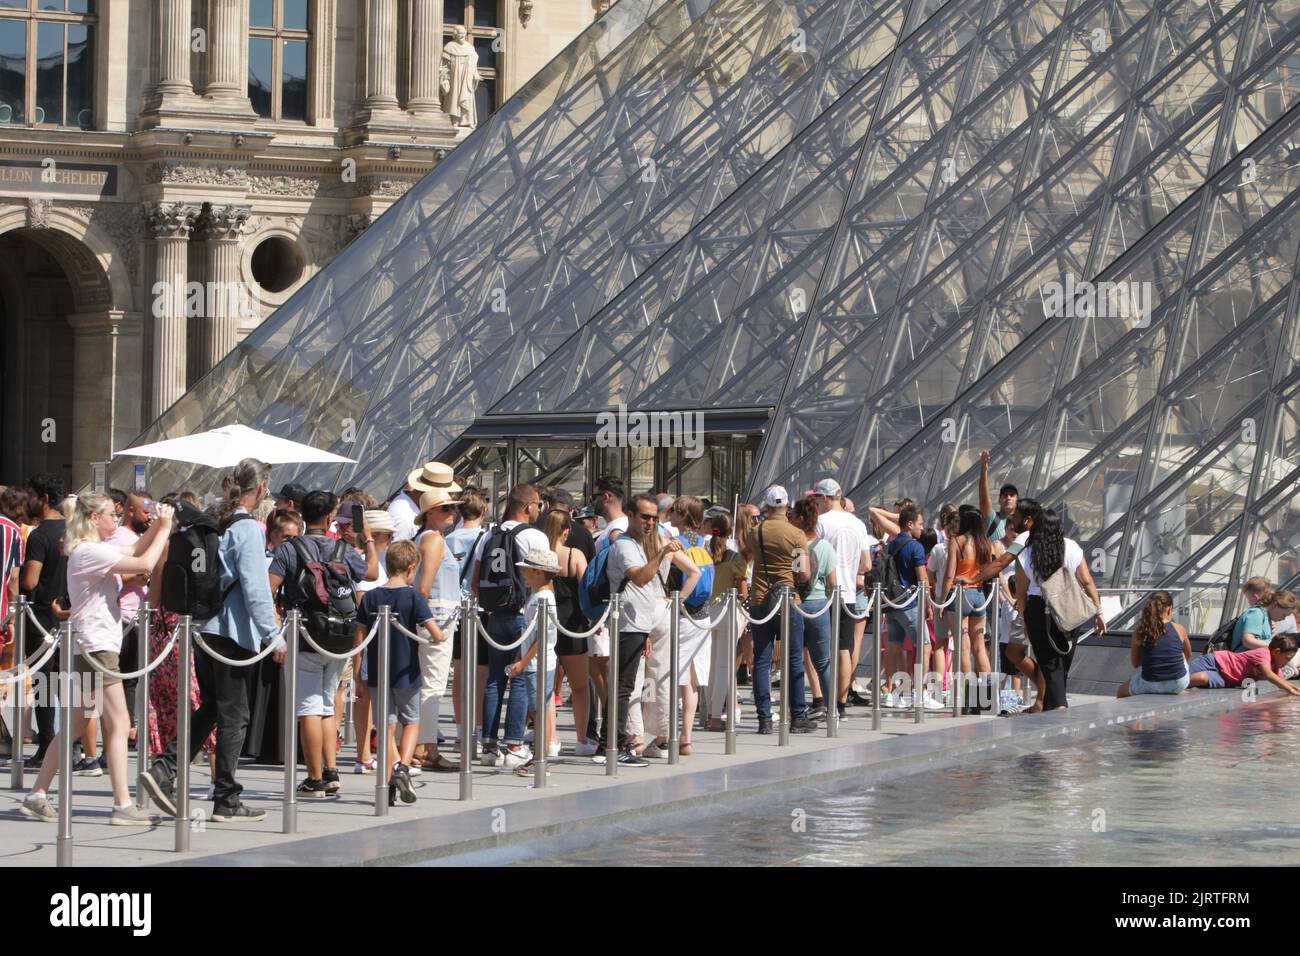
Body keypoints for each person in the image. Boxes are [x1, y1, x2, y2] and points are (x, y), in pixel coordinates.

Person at [141, 458, 282, 823]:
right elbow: (255, 589)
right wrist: (274, 637)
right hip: (231, 633)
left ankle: (166, 769)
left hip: (204, 629)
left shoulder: (217, 520)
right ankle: (224, 797)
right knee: (235, 715)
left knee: (212, 709)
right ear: (262, 488)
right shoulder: (248, 528)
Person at [21, 494, 173, 825]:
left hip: (89, 647)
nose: (115, 520)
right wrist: (164, 527)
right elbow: (145, 564)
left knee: (75, 724)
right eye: (110, 516)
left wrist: (158, 528)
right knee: (118, 723)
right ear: (93, 519)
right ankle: (122, 805)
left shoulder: (91, 550)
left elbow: (134, 551)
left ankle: (37, 795)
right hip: (96, 649)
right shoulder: (89, 551)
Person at [268, 491, 378, 797]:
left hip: (305, 635)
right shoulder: (343, 549)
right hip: (340, 638)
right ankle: (331, 772)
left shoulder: (290, 550)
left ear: (302, 515)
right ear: (330, 517)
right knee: (329, 705)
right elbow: (372, 571)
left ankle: (314, 778)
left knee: (309, 708)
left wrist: (275, 629)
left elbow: (269, 588)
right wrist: (366, 539)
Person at [603, 494, 692, 764]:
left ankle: (622, 739)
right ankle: (619, 743)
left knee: (634, 683)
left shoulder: (641, 544)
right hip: (628, 622)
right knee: (626, 685)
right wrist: (664, 553)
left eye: (654, 517)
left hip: (641, 621)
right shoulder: (627, 545)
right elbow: (640, 578)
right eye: (645, 516)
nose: (650, 522)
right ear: (630, 514)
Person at [356, 540, 443, 806]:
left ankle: (390, 777)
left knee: (385, 726)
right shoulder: (413, 596)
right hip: (407, 672)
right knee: (411, 722)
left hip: (378, 674)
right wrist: (442, 634)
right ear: (411, 567)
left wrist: (360, 673)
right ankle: (403, 767)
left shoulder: (370, 596)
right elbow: (434, 632)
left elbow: (359, 636)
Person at [474, 484, 549, 765]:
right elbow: (545, 576)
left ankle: (490, 746)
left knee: (495, 679)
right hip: (523, 615)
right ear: (528, 506)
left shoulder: (488, 535)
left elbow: (474, 580)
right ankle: (515, 746)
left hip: (495, 616)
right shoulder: (534, 537)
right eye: (538, 504)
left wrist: (492, 604)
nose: (540, 510)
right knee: (518, 677)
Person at [1014, 505, 1105, 711]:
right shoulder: (1071, 547)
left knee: (1048, 663)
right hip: (1068, 607)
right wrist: (1098, 612)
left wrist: (1024, 618)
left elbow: (1021, 591)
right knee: (1062, 662)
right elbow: (1087, 581)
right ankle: (1052, 706)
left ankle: (1059, 708)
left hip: (1038, 609)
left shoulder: (1028, 551)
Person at [748, 486, 817, 734]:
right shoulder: (796, 534)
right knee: (794, 659)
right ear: (787, 506)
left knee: (762, 661)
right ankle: (797, 715)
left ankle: (764, 719)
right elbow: (803, 572)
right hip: (788, 599)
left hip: (759, 600)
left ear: (767, 506)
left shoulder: (756, 532)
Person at [810, 479, 874, 715]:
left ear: (824, 498)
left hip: (822, 592)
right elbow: (867, 563)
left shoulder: (821, 523)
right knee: (843, 648)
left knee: (814, 648)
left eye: (817, 498)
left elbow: (814, 559)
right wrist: (851, 571)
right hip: (848, 593)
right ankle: (841, 702)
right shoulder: (857, 524)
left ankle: (819, 699)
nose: (815, 503)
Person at [19, 472, 69, 766]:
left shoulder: (40, 536)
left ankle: (48, 741)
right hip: (70, 614)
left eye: (32, 496)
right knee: (72, 681)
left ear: (44, 498)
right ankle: (73, 746)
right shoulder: (73, 530)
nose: (29, 501)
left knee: (44, 683)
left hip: (41, 618)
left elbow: (29, 581)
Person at [413, 486, 462, 772]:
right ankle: (426, 747)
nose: (452, 513)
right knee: (433, 684)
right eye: (446, 508)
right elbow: (423, 587)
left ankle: (423, 744)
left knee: (430, 683)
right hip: (437, 619)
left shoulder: (431, 538)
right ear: (430, 512)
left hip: (437, 618)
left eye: (453, 508)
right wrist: (432, 625)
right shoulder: (433, 540)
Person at [502, 547, 563, 774]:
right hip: (537, 661)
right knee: (539, 709)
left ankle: (541, 758)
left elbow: (541, 637)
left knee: (540, 710)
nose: (524, 574)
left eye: (527, 570)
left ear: (538, 572)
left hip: (539, 662)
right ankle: (540, 756)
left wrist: (523, 662)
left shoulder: (543, 598)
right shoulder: (539, 596)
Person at [665, 495, 716, 753]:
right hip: (702, 617)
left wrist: (677, 601)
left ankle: (667, 733)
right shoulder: (705, 543)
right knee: (692, 680)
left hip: (682, 616)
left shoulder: (675, 544)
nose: (669, 514)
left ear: (683, 515)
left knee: (673, 676)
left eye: (673, 510)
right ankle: (686, 737)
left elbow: (685, 576)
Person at [543, 509, 595, 755]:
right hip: (573, 623)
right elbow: (588, 588)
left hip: (547, 620)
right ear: (566, 531)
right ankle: (582, 739)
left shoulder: (540, 555)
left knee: (548, 687)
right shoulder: (574, 555)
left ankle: (551, 738)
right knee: (580, 686)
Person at [941, 505, 997, 712]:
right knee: (980, 647)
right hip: (980, 594)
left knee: (963, 648)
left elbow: (949, 575)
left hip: (960, 593)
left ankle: (968, 699)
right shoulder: (986, 543)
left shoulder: (957, 541)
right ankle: (988, 698)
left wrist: (942, 600)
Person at [879, 506, 933, 708]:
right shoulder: (916, 546)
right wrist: (927, 603)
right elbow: (922, 577)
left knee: (893, 647)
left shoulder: (892, 544)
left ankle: (893, 693)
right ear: (910, 524)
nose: (922, 528)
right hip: (910, 603)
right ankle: (922, 693)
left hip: (891, 603)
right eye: (920, 523)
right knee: (925, 646)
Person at [790, 497, 837, 722]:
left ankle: (797, 710)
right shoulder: (826, 546)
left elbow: (795, 576)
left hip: (798, 602)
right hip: (819, 604)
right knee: (823, 661)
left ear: (799, 519)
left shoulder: (796, 546)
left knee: (796, 658)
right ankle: (831, 709)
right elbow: (833, 584)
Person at [704, 512, 748, 731]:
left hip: (707, 611)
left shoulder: (705, 553)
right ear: (730, 531)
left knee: (711, 665)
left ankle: (706, 711)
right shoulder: (735, 558)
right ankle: (714, 716)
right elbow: (743, 592)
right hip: (727, 611)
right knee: (724, 666)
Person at [1117, 591, 1191, 698]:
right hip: (1178, 683)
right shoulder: (1179, 629)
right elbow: (1188, 654)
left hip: (1149, 683)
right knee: (1182, 653)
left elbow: (1135, 663)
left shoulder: (1139, 632)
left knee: (1121, 691)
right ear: (1169, 610)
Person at [1187, 635, 1300, 695]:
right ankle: (1177, 683)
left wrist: (1295, 690)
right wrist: (1291, 690)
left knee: (1201, 678)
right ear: (1276, 652)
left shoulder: (1276, 669)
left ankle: (1181, 684)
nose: (1287, 662)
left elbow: (1282, 684)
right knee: (1181, 675)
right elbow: (1269, 675)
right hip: (1216, 662)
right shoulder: (1263, 653)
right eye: (1287, 658)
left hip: (1226, 678)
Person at [1230, 577, 1274, 651]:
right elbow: (1248, 641)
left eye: (1248, 598)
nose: (1248, 602)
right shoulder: (1255, 613)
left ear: (1255, 597)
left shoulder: (1262, 613)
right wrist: (1275, 646)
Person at [591, 475, 629, 549]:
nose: (592, 502)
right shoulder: (620, 525)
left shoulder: (617, 530)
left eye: (594, 497)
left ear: (606, 497)